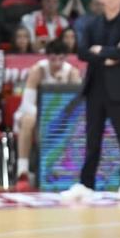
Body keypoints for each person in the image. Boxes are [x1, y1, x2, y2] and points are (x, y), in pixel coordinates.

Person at [61, 0, 120, 202]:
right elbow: (82, 52)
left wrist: (100, 51)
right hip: (95, 87)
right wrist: (110, 54)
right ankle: (86, 184)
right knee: (92, 139)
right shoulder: (91, 24)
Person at [14, 40, 83, 190]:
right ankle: (22, 171)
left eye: (60, 59)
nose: (57, 63)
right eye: (53, 59)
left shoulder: (72, 73)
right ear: (47, 57)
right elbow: (27, 104)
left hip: (61, 119)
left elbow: (77, 108)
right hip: (36, 114)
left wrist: (63, 86)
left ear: (65, 58)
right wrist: (45, 118)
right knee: (28, 120)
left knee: (79, 126)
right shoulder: (37, 71)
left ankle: (71, 171)